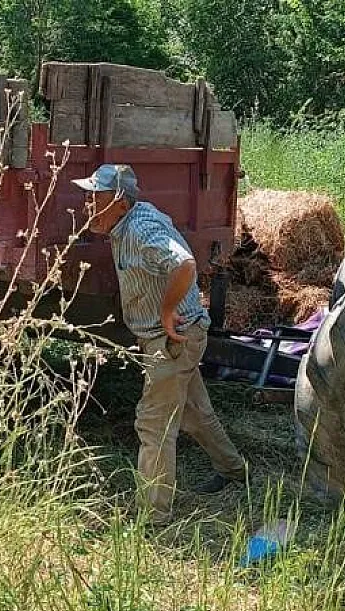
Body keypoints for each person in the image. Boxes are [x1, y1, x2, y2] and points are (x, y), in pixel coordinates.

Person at [74, 163, 247, 523]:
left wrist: (168, 311)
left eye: (97, 198)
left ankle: (152, 515)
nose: (89, 205)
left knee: (153, 424)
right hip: (181, 336)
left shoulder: (140, 229)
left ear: (120, 201)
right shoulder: (127, 220)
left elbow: (184, 264)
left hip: (171, 339)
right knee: (194, 414)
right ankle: (235, 471)